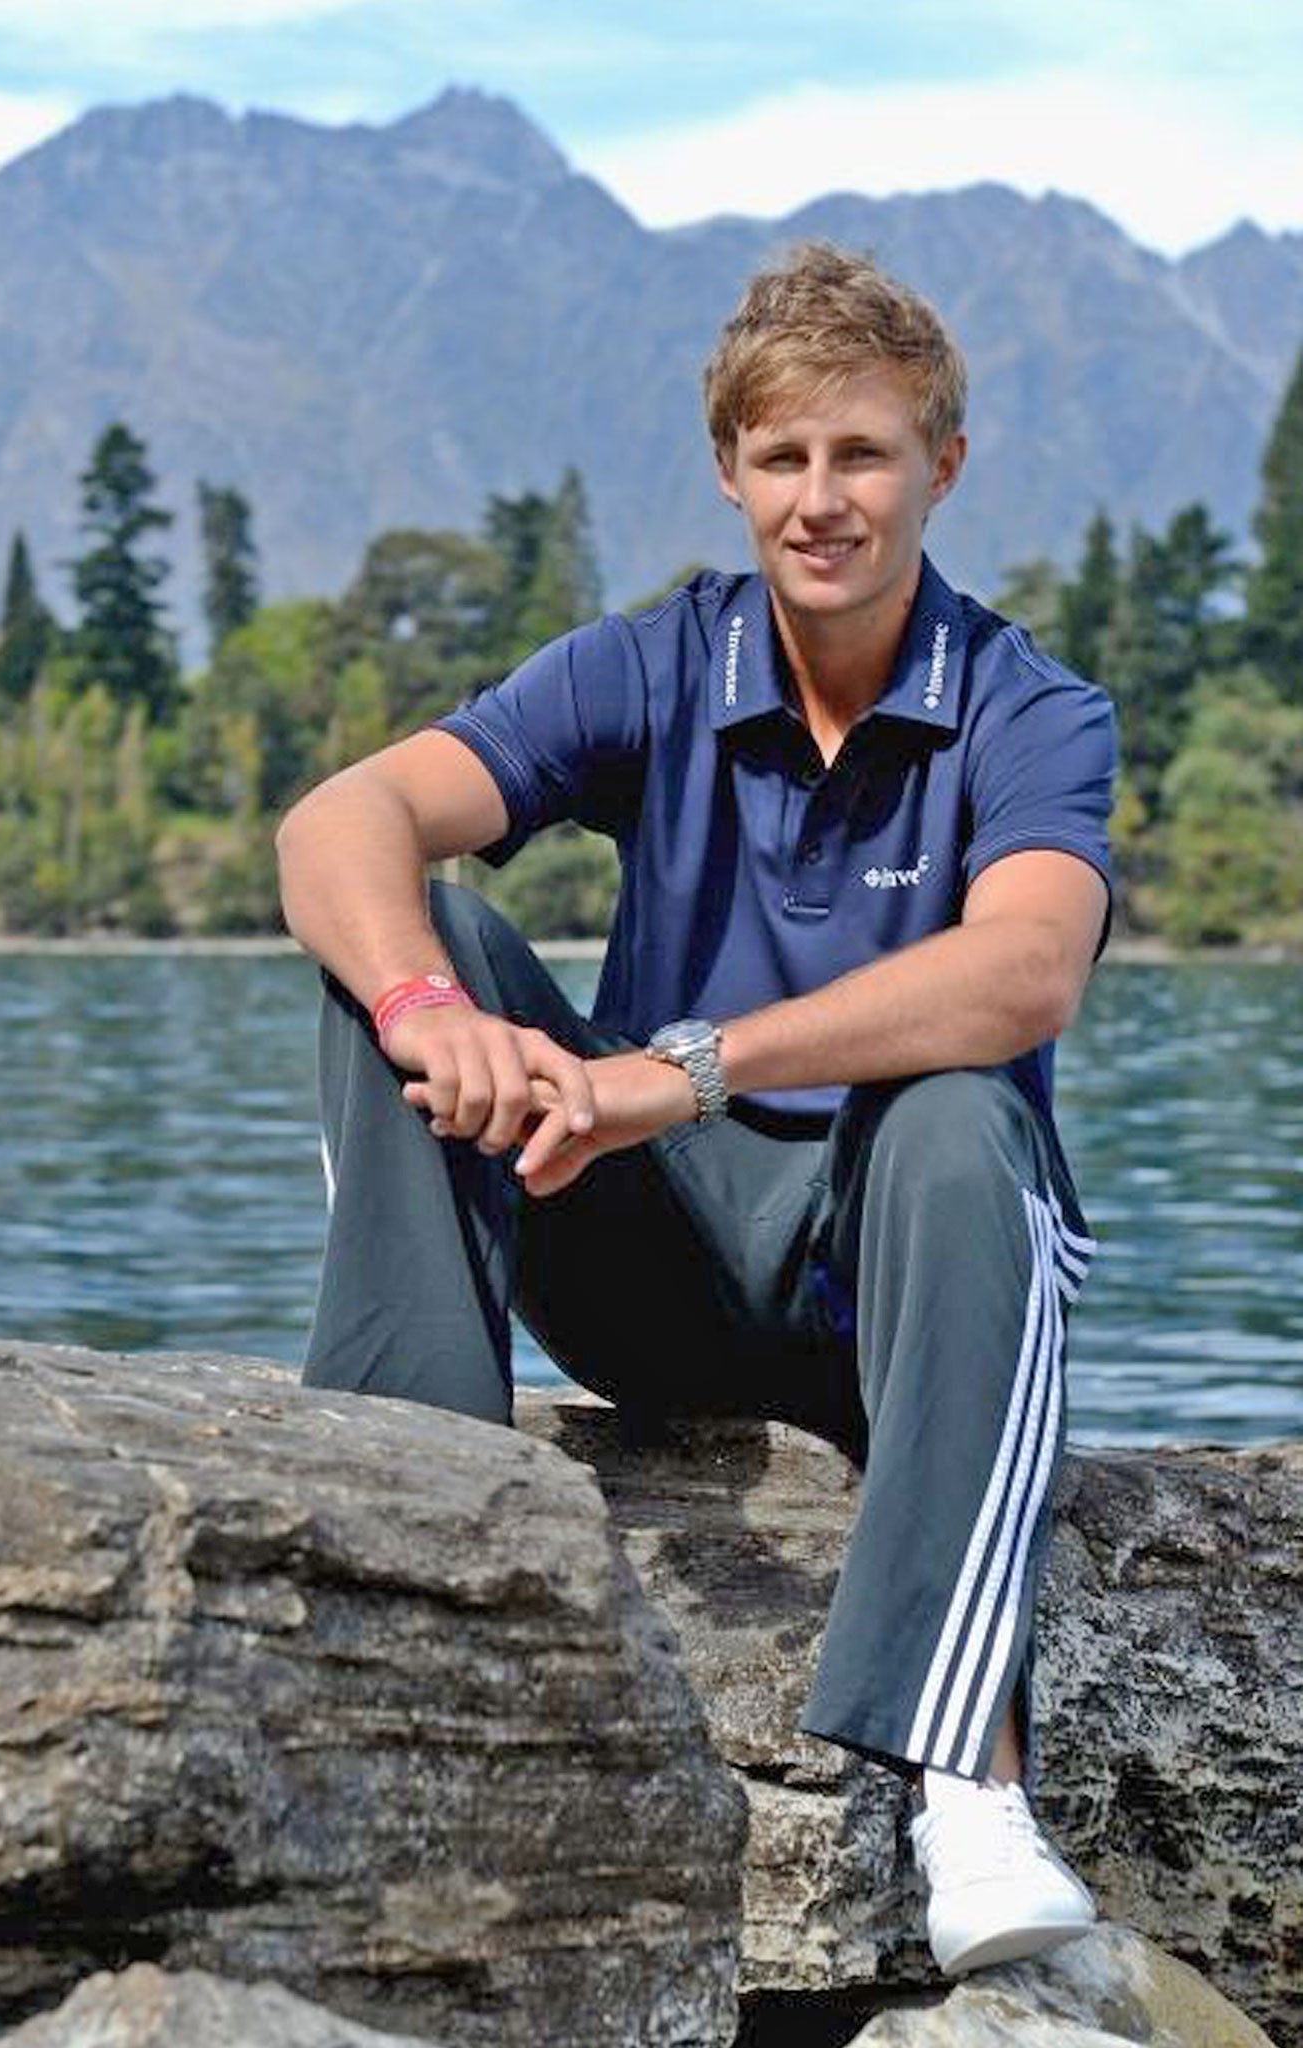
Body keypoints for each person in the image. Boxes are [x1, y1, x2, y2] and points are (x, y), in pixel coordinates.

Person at [276, 241, 1115, 1979]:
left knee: (971, 1115)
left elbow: (1026, 973)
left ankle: (966, 1782)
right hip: (645, 1268)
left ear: (940, 468)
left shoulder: (1032, 710)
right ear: (730, 471)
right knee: (409, 939)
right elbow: (336, 823)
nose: (824, 500)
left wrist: (685, 1069)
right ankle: (410, 1534)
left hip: (883, 1297)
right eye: (786, 459)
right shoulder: (655, 663)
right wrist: (440, 1010)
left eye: (865, 454)